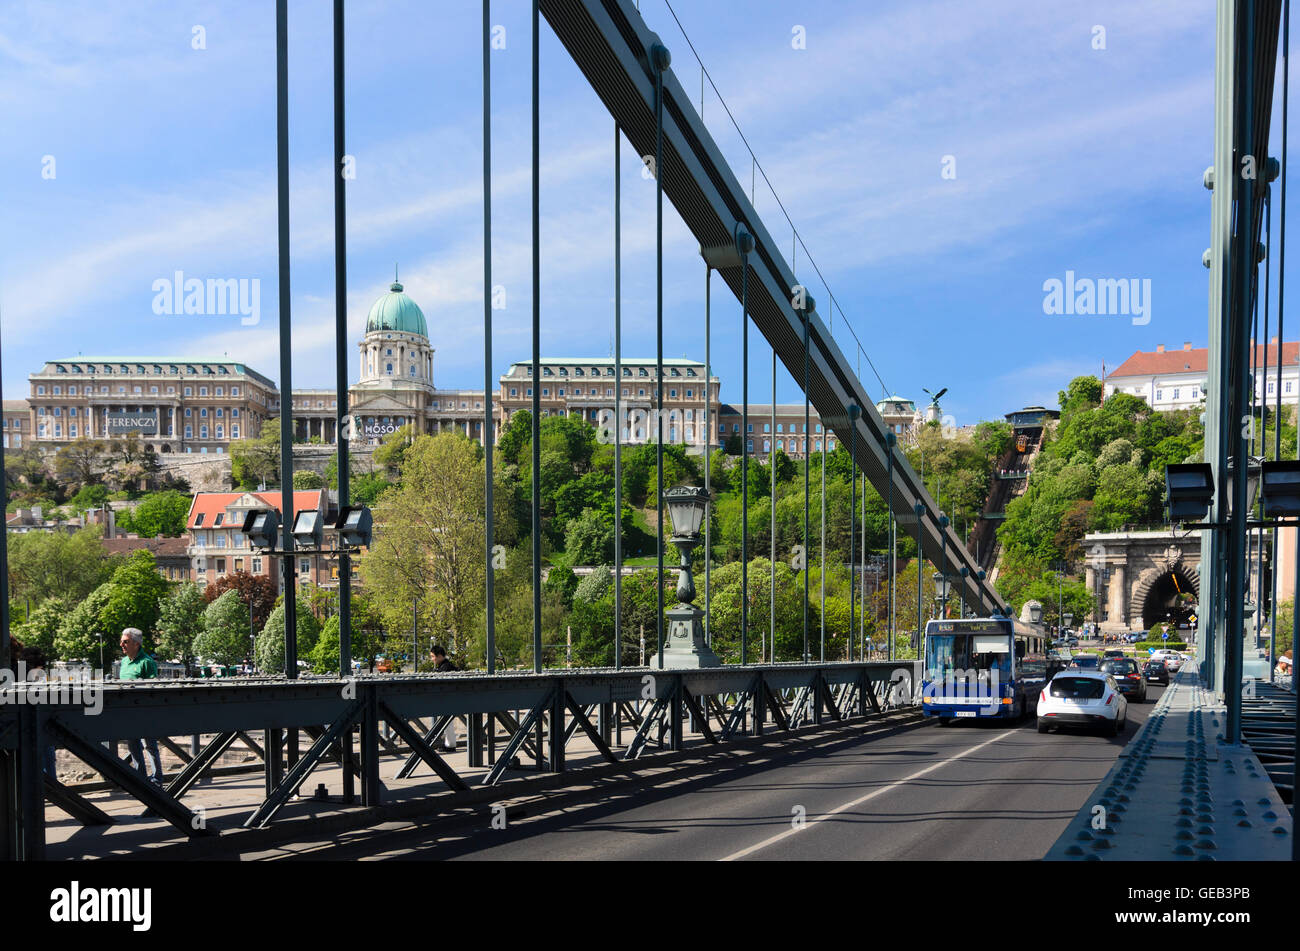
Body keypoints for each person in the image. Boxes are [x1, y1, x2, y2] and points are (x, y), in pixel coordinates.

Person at [118, 628, 163, 785]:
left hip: (144, 711)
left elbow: (153, 688)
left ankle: (157, 779)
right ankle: (140, 777)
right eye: (122, 641)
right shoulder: (123, 662)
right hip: (128, 711)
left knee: (150, 745)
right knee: (132, 744)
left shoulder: (147, 662)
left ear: (136, 644)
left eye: (125, 641)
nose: (121, 644)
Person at [429, 645, 458, 751]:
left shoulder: (445, 667)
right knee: (447, 721)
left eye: (433, 656)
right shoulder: (446, 666)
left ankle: (450, 745)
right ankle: (450, 744)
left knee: (447, 720)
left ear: (440, 656)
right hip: (451, 697)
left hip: (448, 698)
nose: (432, 659)